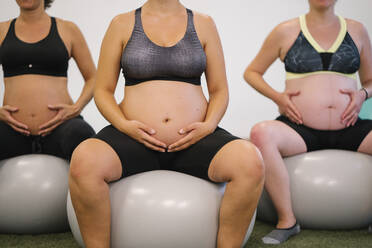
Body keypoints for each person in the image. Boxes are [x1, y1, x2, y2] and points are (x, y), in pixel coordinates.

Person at [69, 0, 264, 247]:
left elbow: (219, 90)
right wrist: (123, 124)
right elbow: (103, 91)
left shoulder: (203, 23)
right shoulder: (122, 23)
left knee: (250, 161)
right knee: (83, 161)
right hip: (133, 137)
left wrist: (209, 125)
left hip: (195, 139)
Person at [244, 0, 372, 244]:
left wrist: (362, 95)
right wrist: (278, 97)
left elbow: (370, 80)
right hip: (300, 129)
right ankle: (287, 221)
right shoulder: (286, 30)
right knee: (260, 133)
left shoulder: (357, 30)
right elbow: (252, 72)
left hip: (350, 126)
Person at [0, 0, 96, 161]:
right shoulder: (1, 30)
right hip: (11, 129)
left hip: (62, 127)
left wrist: (76, 108)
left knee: (84, 139)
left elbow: (93, 78)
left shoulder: (68, 29)